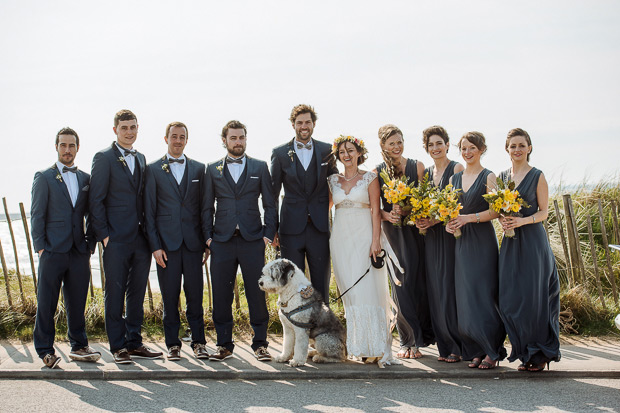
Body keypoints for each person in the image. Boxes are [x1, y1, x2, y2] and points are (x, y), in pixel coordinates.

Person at [89, 109, 163, 364]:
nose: (129, 132)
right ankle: (118, 346)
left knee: (137, 292)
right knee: (115, 292)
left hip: (140, 238)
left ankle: (134, 342)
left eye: (133, 127)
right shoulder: (103, 158)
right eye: (124, 128)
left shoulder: (141, 157)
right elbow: (95, 200)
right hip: (116, 239)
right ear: (115, 130)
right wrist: (105, 237)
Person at [204, 120, 277, 362]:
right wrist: (208, 238)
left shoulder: (259, 166)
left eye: (241, 138)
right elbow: (206, 208)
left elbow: (269, 203)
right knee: (222, 295)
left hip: (252, 239)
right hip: (222, 241)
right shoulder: (212, 169)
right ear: (224, 140)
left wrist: (268, 233)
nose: (238, 142)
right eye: (233, 138)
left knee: (257, 293)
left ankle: (260, 344)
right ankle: (224, 345)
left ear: (246, 139)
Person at [30, 127, 101, 368]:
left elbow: (92, 214)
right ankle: (45, 350)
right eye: (63, 145)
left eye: (71, 145)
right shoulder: (44, 176)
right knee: (47, 302)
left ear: (77, 148)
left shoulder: (85, 179)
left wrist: (90, 244)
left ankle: (79, 345)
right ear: (57, 147)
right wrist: (41, 248)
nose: (67, 150)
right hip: (52, 251)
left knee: (77, 301)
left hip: (79, 251)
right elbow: (37, 215)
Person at [328, 135, 397, 367]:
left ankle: (375, 347)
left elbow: (376, 211)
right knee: (350, 293)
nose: (346, 155)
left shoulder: (370, 178)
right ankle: (357, 346)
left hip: (364, 236)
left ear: (359, 152)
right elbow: (324, 209)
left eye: (350, 150)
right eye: (342, 151)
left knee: (366, 289)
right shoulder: (332, 181)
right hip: (340, 239)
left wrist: (375, 241)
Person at [144, 122, 210, 361]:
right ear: (166, 139)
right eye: (174, 136)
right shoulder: (153, 170)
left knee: (195, 296)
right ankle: (172, 344)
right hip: (166, 247)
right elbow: (149, 212)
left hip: (193, 245)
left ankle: (199, 343)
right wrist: (155, 246)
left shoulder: (198, 169)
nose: (178, 140)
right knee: (170, 297)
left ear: (186, 140)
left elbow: (204, 209)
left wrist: (205, 242)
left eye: (182, 137)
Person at [497, 128, 561, 372]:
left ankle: (540, 353)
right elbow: (499, 209)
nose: (517, 150)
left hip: (533, 241)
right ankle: (523, 350)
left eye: (521, 145)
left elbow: (544, 212)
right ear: (507, 149)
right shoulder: (502, 177)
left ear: (529, 148)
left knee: (534, 297)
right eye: (512, 146)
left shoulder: (537, 175)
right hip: (510, 242)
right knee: (511, 298)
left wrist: (522, 221)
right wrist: (503, 220)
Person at [447, 131, 506, 370]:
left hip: (482, 239)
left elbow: (496, 211)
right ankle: (475, 349)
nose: (467, 152)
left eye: (472, 148)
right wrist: (450, 223)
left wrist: (469, 218)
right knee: (466, 295)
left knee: (483, 293)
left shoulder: (488, 176)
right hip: (461, 241)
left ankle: (492, 350)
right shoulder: (455, 178)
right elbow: (450, 209)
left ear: (481, 149)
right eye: (463, 148)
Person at [375, 124, 434, 359]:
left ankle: (421, 338)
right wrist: (387, 214)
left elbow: (426, 200)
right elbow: (374, 207)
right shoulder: (377, 171)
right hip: (392, 233)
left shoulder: (417, 166)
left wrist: (410, 209)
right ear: (383, 146)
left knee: (418, 282)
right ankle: (406, 341)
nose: (397, 147)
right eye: (392, 143)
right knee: (400, 283)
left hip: (414, 232)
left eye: (399, 142)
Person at [271, 104, 338, 302]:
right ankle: (295, 329)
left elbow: (336, 184)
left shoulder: (327, 150)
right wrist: (273, 228)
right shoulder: (280, 153)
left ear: (314, 124)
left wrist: (328, 207)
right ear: (293, 125)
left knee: (320, 283)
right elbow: (273, 194)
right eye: (299, 122)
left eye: (307, 122)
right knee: (291, 284)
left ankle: (322, 329)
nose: (304, 126)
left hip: (319, 228)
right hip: (290, 229)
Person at [416, 126, 464, 363]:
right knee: (435, 290)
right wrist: (422, 222)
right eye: (430, 145)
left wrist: (434, 220)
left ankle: (458, 345)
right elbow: (423, 204)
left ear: (447, 144)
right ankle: (444, 346)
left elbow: (459, 204)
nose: (435, 148)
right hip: (431, 239)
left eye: (439, 143)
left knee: (450, 290)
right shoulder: (426, 174)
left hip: (450, 235)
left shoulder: (457, 168)